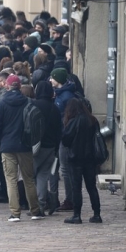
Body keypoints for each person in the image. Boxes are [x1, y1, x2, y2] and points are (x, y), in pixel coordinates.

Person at [0, 74, 44, 221]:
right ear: (19, 86)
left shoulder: (1, 103)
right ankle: (35, 210)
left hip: (7, 145)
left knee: (11, 180)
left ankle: (15, 212)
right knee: (29, 179)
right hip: (25, 144)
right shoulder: (28, 102)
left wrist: (2, 139)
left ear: (7, 86)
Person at [61, 98, 101, 224]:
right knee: (91, 187)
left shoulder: (73, 121)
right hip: (90, 159)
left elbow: (66, 140)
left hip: (75, 158)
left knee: (76, 187)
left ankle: (77, 215)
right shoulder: (92, 120)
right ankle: (97, 214)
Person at [32, 81, 62, 215]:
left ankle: (33, 205)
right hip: (50, 146)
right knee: (43, 176)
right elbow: (59, 130)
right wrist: (56, 147)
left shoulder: (33, 105)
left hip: (34, 146)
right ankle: (41, 204)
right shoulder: (54, 108)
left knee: (31, 176)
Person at [50, 67, 76, 212]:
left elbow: (64, 118)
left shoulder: (65, 96)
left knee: (65, 169)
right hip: (62, 134)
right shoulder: (62, 94)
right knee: (63, 169)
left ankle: (70, 199)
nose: (50, 80)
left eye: (52, 78)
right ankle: (69, 198)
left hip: (64, 136)